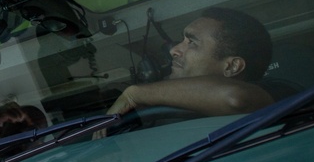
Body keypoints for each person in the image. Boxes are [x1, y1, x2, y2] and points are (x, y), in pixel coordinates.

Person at [105, 7, 274, 121]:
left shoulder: (276, 95)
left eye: (191, 42)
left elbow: (236, 98)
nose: (174, 50)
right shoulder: (172, 112)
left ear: (231, 66)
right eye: (182, 40)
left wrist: (134, 94)